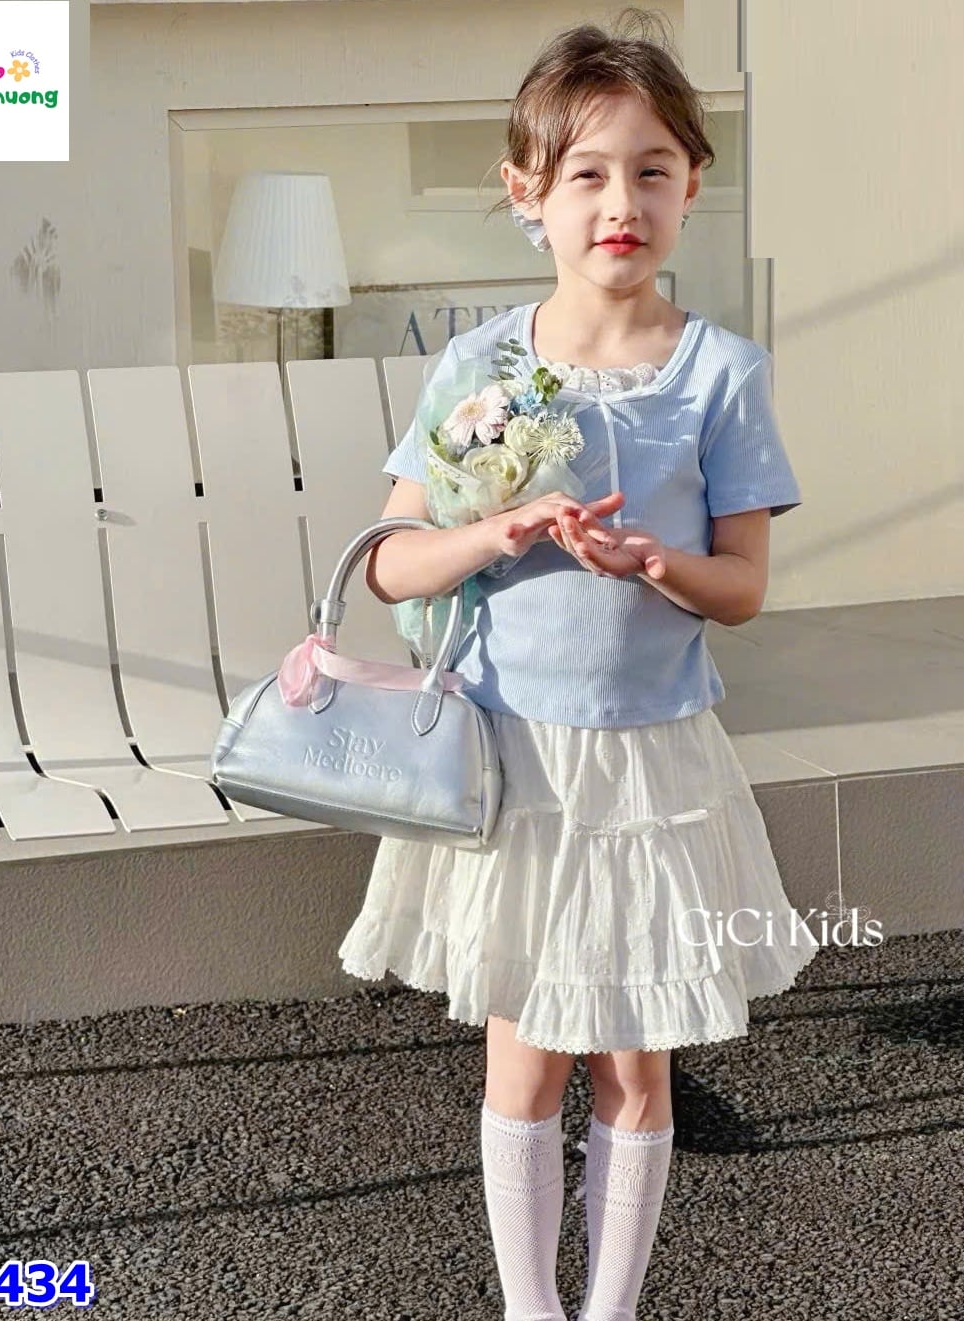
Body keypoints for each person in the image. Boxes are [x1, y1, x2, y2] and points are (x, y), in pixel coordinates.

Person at [338, 12, 820, 1321]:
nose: (621, 202)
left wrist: (652, 564)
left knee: (636, 1066)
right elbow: (390, 565)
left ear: (692, 185)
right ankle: (528, 1308)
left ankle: (607, 1311)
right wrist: (492, 531)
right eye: (587, 174)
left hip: (655, 763)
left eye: (652, 170)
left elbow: (742, 589)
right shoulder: (481, 368)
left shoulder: (722, 374)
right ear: (527, 193)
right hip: (516, 763)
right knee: (525, 1056)